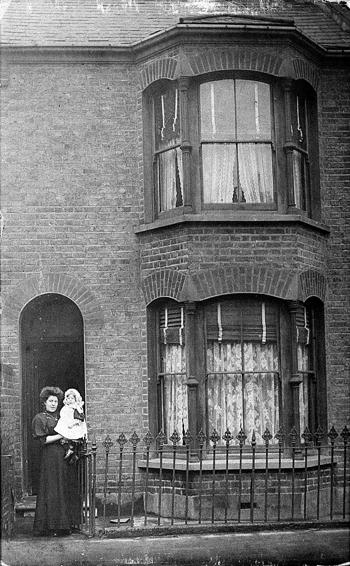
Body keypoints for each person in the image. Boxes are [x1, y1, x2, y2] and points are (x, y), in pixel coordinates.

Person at [32, 386, 81, 536]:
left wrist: (71, 444)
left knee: (63, 488)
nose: (53, 404)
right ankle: (51, 527)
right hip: (50, 457)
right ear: (45, 402)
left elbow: (73, 430)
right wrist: (62, 434)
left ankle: (65, 525)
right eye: (50, 401)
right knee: (52, 489)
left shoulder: (62, 416)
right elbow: (43, 440)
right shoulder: (39, 418)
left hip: (64, 456)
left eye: (55, 401)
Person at [54, 388, 87, 463]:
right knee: (64, 437)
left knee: (74, 439)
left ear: (75, 399)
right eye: (68, 398)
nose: (70, 400)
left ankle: (74, 452)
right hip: (67, 424)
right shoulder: (65, 408)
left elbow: (80, 418)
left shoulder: (77, 408)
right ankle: (69, 450)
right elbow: (63, 415)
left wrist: (73, 423)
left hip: (74, 425)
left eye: (72, 398)